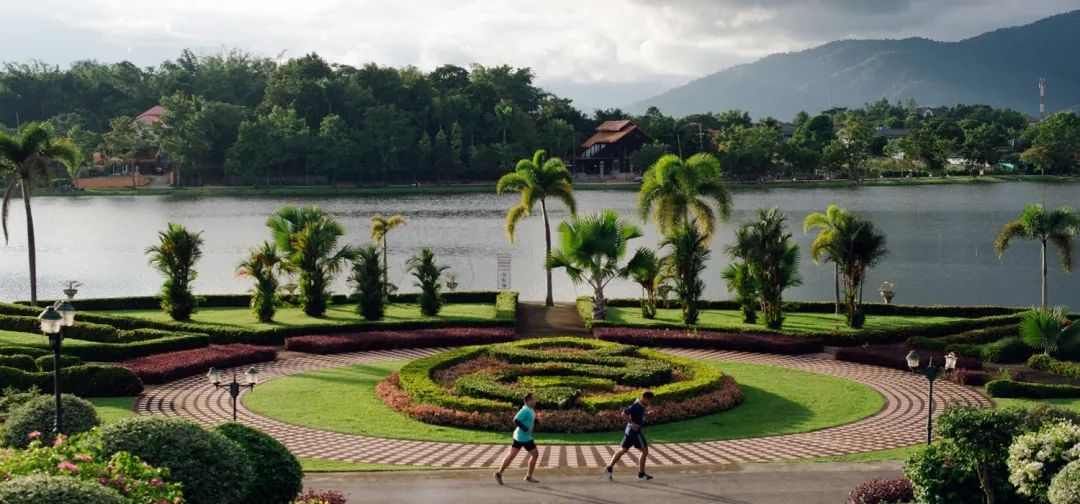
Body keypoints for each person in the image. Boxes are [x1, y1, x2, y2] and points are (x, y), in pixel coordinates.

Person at [604, 391, 654, 481]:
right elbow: (624, 413)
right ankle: (641, 474)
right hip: (635, 433)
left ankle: (609, 468)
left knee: (623, 450)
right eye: (649, 400)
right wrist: (632, 424)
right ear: (646, 398)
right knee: (645, 451)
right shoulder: (636, 405)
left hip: (631, 432)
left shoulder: (641, 405)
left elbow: (636, 414)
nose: (650, 403)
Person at [494, 393, 540, 485]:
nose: (535, 401)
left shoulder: (530, 409)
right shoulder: (525, 410)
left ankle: (499, 474)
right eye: (533, 399)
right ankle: (528, 476)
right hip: (524, 437)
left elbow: (529, 419)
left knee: (511, 455)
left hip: (520, 436)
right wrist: (526, 429)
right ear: (528, 401)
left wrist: (535, 422)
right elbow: (516, 419)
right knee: (535, 454)